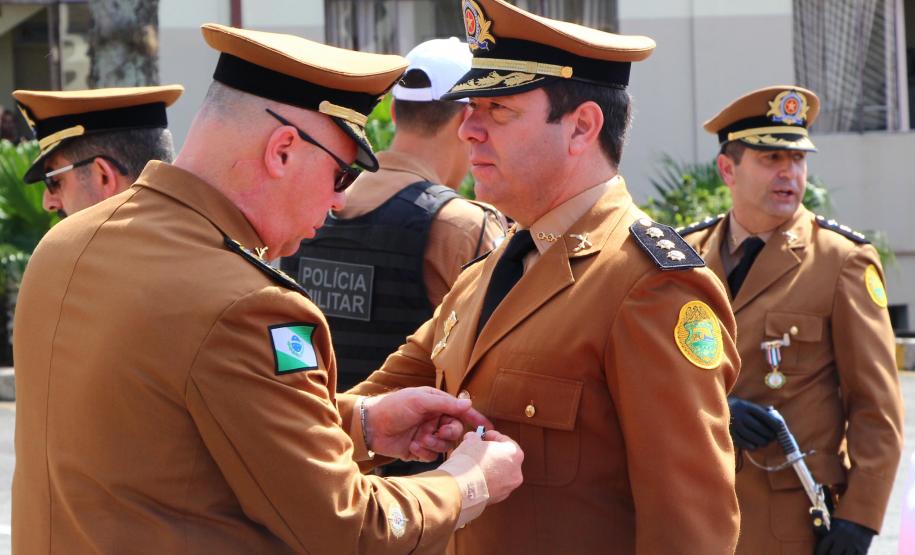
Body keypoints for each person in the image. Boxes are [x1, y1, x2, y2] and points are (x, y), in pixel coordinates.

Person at [12, 23, 523, 554]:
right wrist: (468, 480)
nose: (339, 202)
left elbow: (170, 434)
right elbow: (349, 528)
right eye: (340, 175)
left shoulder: (66, 243)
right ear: (282, 150)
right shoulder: (247, 304)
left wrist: (362, 423)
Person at [349, 0, 741, 552]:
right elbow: (368, 405)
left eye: (498, 110)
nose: (467, 130)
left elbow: (689, 527)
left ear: (582, 126)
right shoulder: (490, 269)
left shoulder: (651, 286)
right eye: (468, 108)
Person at [680, 85, 903, 555]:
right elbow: (652, 375)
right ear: (728, 169)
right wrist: (716, 411)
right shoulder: (682, 257)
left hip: (792, 520)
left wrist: (860, 519)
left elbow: (875, 407)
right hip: (693, 508)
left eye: (797, 160)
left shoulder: (841, 261)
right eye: (769, 159)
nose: (788, 173)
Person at [281, 37, 505, 392]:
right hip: (415, 442)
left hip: (317, 433)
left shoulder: (320, 204)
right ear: (466, 119)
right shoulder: (463, 226)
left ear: (396, 112)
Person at [12, 85, 183, 217]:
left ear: (104, 177)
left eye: (54, 181)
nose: (47, 203)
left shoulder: (73, 260)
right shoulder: (204, 239)